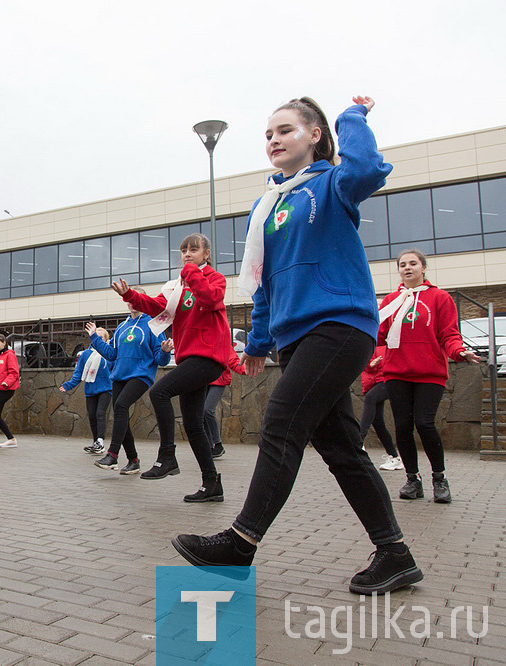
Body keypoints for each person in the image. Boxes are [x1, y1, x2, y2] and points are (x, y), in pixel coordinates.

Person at [172, 96, 424, 595]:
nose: (273, 140)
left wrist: (352, 118)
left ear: (314, 135)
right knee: (341, 449)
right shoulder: (269, 206)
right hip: (296, 338)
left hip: (338, 324)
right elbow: (264, 284)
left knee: (282, 424)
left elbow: (369, 168)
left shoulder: (332, 185)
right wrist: (259, 341)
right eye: (268, 134)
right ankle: (395, 554)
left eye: (285, 130)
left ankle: (240, 544)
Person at [116, 233, 235, 500]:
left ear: (207, 254)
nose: (187, 254)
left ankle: (167, 456)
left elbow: (210, 299)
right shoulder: (177, 286)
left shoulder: (214, 278)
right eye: (183, 251)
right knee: (193, 425)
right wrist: (130, 295)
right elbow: (156, 307)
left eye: (194, 250)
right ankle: (211, 484)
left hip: (208, 358)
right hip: (189, 358)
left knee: (159, 392)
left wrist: (191, 273)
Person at [378, 249, 480, 503]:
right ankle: (413, 480)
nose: (407, 268)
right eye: (402, 265)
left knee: (424, 423)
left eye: (413, 263)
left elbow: (449, 334)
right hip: (396, 372)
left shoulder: (440, 298)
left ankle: (439, 478)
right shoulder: (391, 300)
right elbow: (378, 337)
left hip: (429, 372)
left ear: (424, 268)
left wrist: (459, 351)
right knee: (402, 426)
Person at [86, 291, 170, 474]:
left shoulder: (153, 324)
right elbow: (111, 354)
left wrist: (164, 351)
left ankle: (112, 455)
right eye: (129, 300)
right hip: (119, 376)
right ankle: (134, 460)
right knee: (120, 415)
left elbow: (160, 360)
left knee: (121, 406)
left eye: (135, 299)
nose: (132, 303)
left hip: (140, 376)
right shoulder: (122, 326)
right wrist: (94, 338)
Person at [59, 329, 113, 455]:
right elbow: (78, 373)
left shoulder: (109, 353)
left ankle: (100, 441)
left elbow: (116, 368)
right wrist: (68, 385)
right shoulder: (85, 354)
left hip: (106, 389)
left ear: (106, 339)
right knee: (92, 416)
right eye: (95, 337)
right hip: (91, 390)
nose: (97, 340)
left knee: (100, 413)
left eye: (101, 338)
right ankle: (95, 443)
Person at [359, 345, 401, 470]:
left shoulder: (386, 340)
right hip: (372, 383)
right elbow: (365, 365)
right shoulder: (368, 341)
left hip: (387, 380)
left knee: (370, 398)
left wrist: (377, 364)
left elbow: (394, 360)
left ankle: (358, 440)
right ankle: (394, 457)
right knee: (378, 422)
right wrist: (371, 365)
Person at [204, 352, 245, 460]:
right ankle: (208, 447)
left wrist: (244, 369)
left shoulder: (222, 341)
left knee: (207, 410)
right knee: (201, 413)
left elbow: (233, 361)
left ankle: (218, 445)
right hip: (203, 380)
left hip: (219, 381)